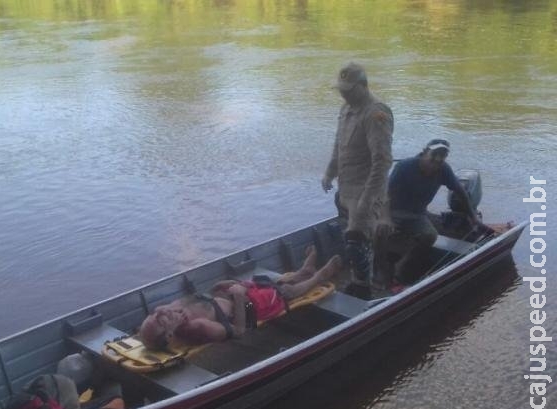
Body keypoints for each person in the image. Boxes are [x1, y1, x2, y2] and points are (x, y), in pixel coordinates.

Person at [139, 247, 341, 350]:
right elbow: (238, 331)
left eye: (153, 313)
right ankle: (319, 276)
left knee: (265, 283)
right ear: (169, 336)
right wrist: (237, 296)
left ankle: (303, 271)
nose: (160, 311)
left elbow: (202, 300)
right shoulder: (199, 326)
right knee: (285, 293)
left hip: (232, 295)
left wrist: (222, 288)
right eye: (160, 319)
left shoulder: (169, 310)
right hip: (249, 309)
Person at [321, 61, 394, 300]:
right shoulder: (346, 109)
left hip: (366, 189)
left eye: (349, 89)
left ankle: (364, 288)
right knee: (350, 237)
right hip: (346, 187)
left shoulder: (376, 113)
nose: (343, 93)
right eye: (342, 89)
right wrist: (330, 172)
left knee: (356, 237)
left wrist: (368, 198)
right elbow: (338, 144)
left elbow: (382, 162)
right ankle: (359, 277)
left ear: (363, 86)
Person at [385, 138, 492, 285]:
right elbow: (386, 196)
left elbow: (460, 191)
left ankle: (402, 266)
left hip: (417, 215)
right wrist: (385, 219)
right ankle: (380, 269)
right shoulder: (404, 167)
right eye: (435, 153)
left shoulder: (444, 169)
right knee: (381, 231)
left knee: (430, 236)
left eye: (443, 155)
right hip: (394, 211)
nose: (438, 158)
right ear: (424, 152)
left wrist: (473, 218)